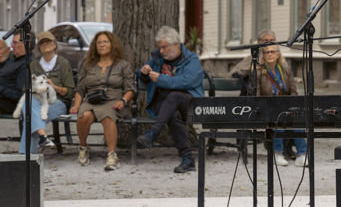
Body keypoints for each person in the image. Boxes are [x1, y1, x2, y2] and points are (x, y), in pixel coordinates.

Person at [136, 26, 204, 173]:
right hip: (165, 107)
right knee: (173, 115)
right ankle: (187, 159)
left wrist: (161, 79)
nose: (161, 51)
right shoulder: (157, 58)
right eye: (160, 47)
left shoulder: (191, 59)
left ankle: (153, 133)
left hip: (190, 105)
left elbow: (187, 81)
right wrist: (143, 72)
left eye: (164, 47)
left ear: (176, 45)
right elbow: (142, 76)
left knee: (175, 95)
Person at [69, 31, 134, 171]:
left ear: (112, 44)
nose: (102, 45)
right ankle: (83, 148)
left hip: (114, 101)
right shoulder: (88, 65)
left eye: (105, 42)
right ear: (95, 46)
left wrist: (123, 100)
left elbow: (130, 89)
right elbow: (80, 89)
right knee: (84, 116)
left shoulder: (123, 65)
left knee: (107, 116)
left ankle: (112, 155)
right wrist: (76, 105)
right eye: (99, 42)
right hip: (92, 100)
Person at [18, 31, 75, 153]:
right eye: (42, 43)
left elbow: (70, 92)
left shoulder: (63, 63)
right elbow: (25, 89)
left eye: (48, 41)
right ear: (39, 47)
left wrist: (55, 87)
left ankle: (26, 155)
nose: (45, 44)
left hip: (58, 102)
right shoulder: (34, 65)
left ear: (54, 44)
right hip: (37, 101)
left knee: (30, 116)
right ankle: (42, 137)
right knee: (31, 108)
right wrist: (37, 89)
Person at [257, 44, 307, 167]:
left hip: (285, 105)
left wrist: (293, 107)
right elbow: (256, 95)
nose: (270, 54)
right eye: (267, 52)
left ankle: (301, 155)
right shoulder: (259, 71)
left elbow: (293, 91)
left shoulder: (285, 69)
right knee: (278, 119)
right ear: (263, 55)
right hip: (268, 106)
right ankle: (277, 153)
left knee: (297, 120)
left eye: (273, 52)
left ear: (278, 54)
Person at [0, 31, 32, 115]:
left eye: (15, 43)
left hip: (9, 104)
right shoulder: (14, 59)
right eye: (12, 43)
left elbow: (20, 95)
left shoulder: (26, 64)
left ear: (27, 45)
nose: (11, 46)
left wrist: (1, 88)